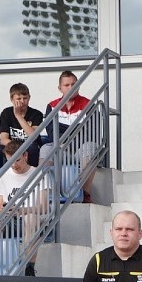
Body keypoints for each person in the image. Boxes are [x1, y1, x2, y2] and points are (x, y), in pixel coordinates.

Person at [0, 140, 51, 276]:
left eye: (17, 160)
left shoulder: (39, 174)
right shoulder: (3, 176)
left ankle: (29, 266)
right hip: (10, 220)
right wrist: (4, 211)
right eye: (10, 161)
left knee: (30, 219)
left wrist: (22, 210)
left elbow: (44, 208)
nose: (14, 165)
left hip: (32, 218)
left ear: (25, 156)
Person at [44, 70, 97, 202]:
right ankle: (47, 194)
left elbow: (90, 132)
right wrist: (62, 142)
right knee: (45, 150)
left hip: (80, 147)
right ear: (60, 88)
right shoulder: (52, 106)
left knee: (90, 148)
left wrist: (68, 141)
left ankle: (84, 193)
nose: (71, 87)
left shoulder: (88, 104)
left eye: (74, 84)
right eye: (66, 85)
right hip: (61, 147)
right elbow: (51, 130)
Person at [0, 83, 44, 167]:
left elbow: (33, 137)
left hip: (31, 146)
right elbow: (3, 139)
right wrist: (18, 147)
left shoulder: (37, 114)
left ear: (29, 97)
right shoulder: (6, 113)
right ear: (11, 99)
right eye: (18, 99)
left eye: (25, 98)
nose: (22, 101)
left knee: (32, 148)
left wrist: (18, 116)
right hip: (12, 145)